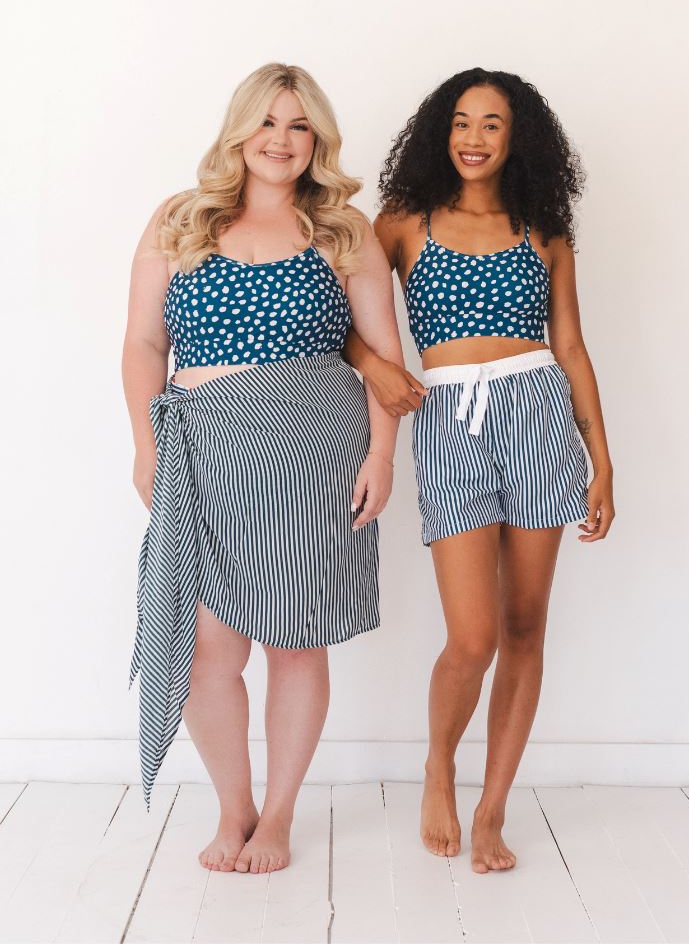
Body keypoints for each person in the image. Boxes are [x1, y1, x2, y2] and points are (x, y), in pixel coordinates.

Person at [122, 63, 403, 875]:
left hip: (313, 455)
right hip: (203, 451)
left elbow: (382, 355)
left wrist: (382, 454)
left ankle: (277, 817)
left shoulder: (342, 229)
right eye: (268, 122)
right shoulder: (179, 218)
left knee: (294, 641)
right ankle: (234, 806)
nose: (281, 140)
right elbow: (143, 343)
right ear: (239, 129)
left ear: (318, 139)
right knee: (208, 649)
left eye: (299, 125)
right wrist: (145, 444)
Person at [343, 68, 615, 874]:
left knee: (525, 625)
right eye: (462, 121)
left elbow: (570, 346)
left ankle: (493, 808)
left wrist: (602, 460)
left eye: (492, 123)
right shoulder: (402, 223)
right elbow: (342, 314)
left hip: (538, 413)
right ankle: (440, 766)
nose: (473, 137)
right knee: (472, 637)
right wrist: (376, 367)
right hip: (449, 420)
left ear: (516, 136)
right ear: (441, 131)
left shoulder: (544, 230)